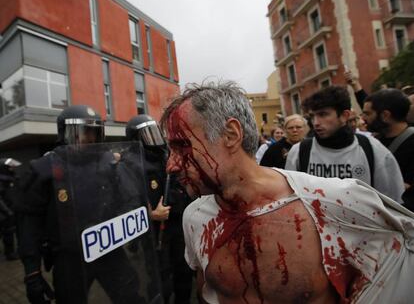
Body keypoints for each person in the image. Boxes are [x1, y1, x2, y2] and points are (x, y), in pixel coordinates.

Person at [160, 80, 414, 304]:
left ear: (231, 134)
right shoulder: (195, 217)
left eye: (181, 146)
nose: (171, 165)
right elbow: (206, 291)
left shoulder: (335, 203)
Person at [17, 105, 153, 304]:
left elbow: (125, 199)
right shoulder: (44, 170)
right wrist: (32, 273)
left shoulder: (108, 163)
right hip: (69, 257)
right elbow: (29, 223)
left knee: (131, 295)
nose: (88, 139)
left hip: (108, 247)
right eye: (81, 133)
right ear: (64, 134)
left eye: (93, 132)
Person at [285, 85, 404, 202]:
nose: (315, 122)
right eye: (312, 116)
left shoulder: (373, 149)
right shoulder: (299, 152)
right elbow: (290, 200)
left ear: (344, 115)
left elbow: (393, 202)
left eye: (323, 114)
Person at [123, 115, 194, 304]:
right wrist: (150, 215)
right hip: (154, 232)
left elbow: (180, 188)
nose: (154, 139)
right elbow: (126, 202)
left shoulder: (165, 157)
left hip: (176, 225)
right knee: (161, 280)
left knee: (184, 273)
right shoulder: (130, 165)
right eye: (147, 134)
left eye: (154, 132)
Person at [362, 89, 414, 210]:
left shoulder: (411, 143)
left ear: (385, 115)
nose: (363, 119)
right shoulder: (373, 143)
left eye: (368, 114)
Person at [0, 158, 22, 260]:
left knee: (17, 231)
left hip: (15, 210)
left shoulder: (14, 178)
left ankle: (16, 251)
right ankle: (9, 253)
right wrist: (7, 211)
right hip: (5, 213)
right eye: (10, 166)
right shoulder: (1, 180)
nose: (12, 168)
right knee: (7, 233)